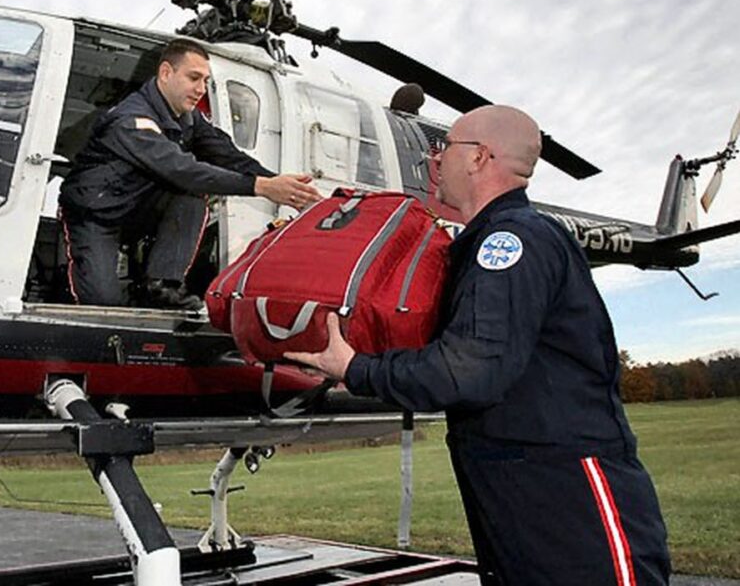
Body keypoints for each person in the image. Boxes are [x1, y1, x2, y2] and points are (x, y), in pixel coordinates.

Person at [286, 105, 670, 585]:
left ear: (478, 157)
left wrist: (356, 367)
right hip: (518, 494)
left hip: (566, 500)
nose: (434, 160)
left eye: (445, 148)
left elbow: (468, 370)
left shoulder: (511, 241)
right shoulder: (481, 244)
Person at [59, 38, 322, 309]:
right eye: (194, 78)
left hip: (135, 206)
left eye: (206, 81)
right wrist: (262, 187)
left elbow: (227, 155)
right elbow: (182, 169)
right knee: (103, 304)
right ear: (165, 73)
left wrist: (279, 184)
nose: (201, 90)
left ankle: (162, 287)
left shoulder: (188, 116)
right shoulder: (131, 119)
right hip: (95, 215)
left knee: (191, 197)